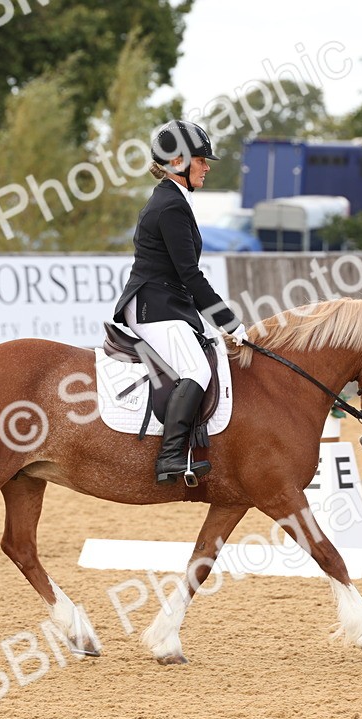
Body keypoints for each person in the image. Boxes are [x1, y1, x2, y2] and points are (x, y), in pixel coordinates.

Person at [112, 120, 248, 485]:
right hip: (152, 307)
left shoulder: (175, 200)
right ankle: (170, 457)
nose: (207, 166)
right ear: (177, 162)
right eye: (201, 160)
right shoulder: (170, 206)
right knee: (197, 370)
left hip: (168, 304)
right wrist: (230, 322)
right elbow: (190, 274)